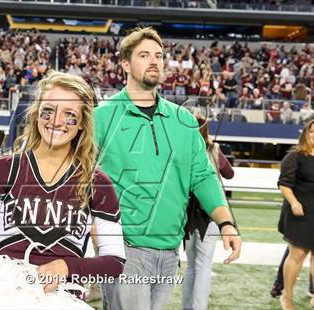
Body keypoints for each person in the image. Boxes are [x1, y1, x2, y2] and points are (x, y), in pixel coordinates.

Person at [94, 27, 241, 310]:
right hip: (125, 249)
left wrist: (226, 222)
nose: (154, 61)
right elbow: (81, 177)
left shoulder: (183, 120)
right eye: (144, 55)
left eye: (159, 56)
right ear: (125, 63)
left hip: (170, 251)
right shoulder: (101, 117)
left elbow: (203, 176)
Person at [0, 71, 125, 294]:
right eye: (48, 111)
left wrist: (66, 266)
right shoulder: (3, 170)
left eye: (69, 114)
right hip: (5, 297)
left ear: (82, 123)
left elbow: (114, 263)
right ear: (36, 113)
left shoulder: (97, 182)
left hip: (64, 299)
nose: (56, 121)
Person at [182, 115, 235, 310]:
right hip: (210, 211)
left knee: (191, 265)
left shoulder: (182, 149)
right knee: (203, 265)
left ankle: (188, 307)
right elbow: (229, 173)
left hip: (186, 212)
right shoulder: (213, 149)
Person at [277, 119, 314, 310]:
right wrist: (293, 202)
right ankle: (287, 297)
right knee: (298, 254)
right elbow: (284, 184)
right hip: (299, 211)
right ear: (306, 134)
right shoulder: (295, 156)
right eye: (312, 132)